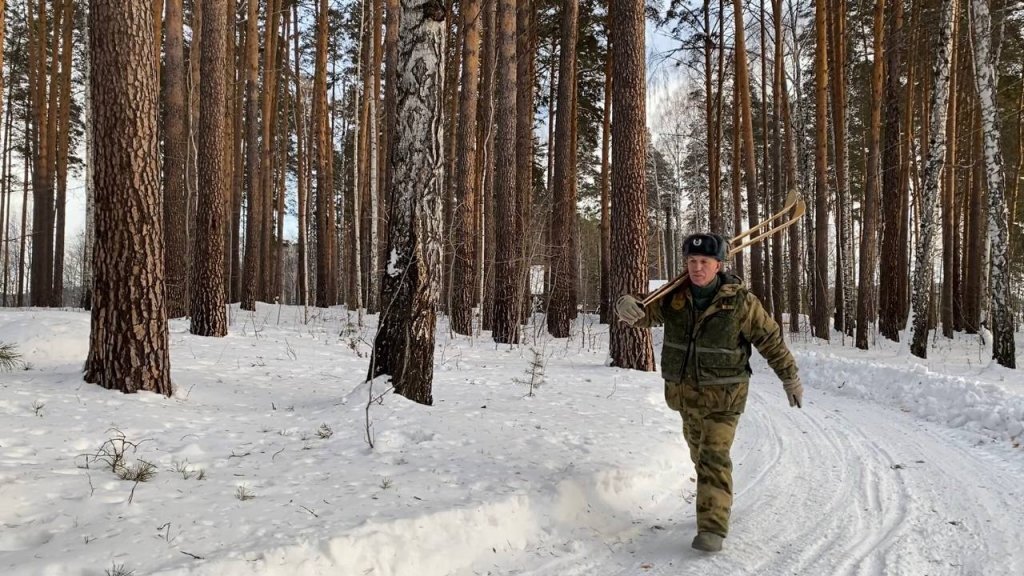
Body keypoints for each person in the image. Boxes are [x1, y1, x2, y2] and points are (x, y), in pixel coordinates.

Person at [615, 232, 803, 553]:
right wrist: (626, 304)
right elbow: (642, 310)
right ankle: (716, 497)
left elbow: (770, 340)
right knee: (699, 455)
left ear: (718, 265)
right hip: (685, 396)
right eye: (691, 261)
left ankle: (712, 528)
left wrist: (790, 378)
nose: (697, 268)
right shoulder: (674, 297)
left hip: (725, 398)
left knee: (713, 456)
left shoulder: (740, 302)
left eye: (704, 262)